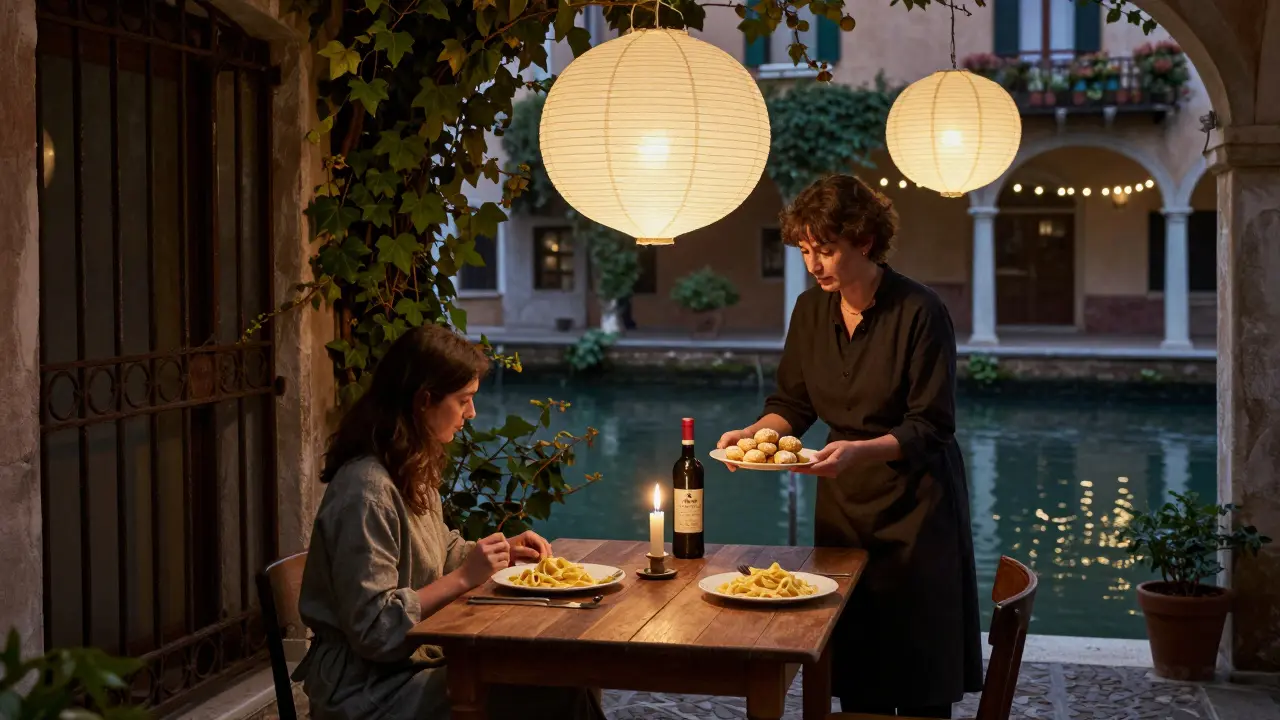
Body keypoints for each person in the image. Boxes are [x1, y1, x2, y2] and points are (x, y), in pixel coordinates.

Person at [716, 174, 982, 717]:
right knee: (854, 660)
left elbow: (932, 426)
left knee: (917, 675)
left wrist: (860, 451)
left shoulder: (920, 311)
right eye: (807, 251)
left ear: (864, 241)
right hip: (843, 508)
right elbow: (792, 406)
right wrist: (750, 434)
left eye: (827, 250)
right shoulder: (809, 310)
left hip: (916, 512)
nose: (815, 265)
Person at [293, 324, 605, 720]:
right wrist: (462, 579)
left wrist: (498, 552)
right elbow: (374, 630)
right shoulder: (367, 490)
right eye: (463, 401)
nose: (470, 414)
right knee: (559, 695)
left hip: (409, 665)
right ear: (425, 399)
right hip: (367, 688)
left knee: (569, 675)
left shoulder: (408, 468)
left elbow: (440, 549)